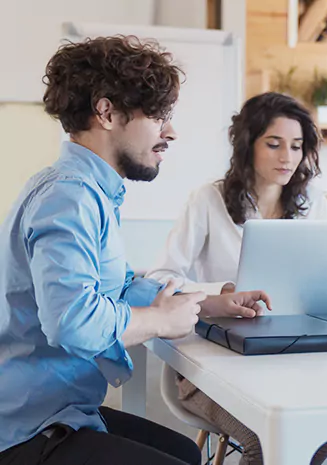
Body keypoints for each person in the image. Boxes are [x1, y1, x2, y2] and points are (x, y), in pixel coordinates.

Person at [0, 36, 271, 465]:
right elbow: (72, 321)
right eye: (159, 115)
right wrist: (160, 319)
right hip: (25, 428)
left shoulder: (87, 191)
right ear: (107, 112)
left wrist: (207, 302)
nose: (171, 132)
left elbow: (119, 287)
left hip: (57, 409)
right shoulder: (69, 197)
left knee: (184, 450)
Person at [145, 91, 327, 465]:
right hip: (211, 361)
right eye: (274, 144)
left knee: (322, 435)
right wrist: (220, 293)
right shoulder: (208, 200)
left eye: (297, 146)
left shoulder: (313, 203)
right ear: (248, 144)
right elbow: (160, 278)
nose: (288, 157)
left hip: (289, 358)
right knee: (265, 440)